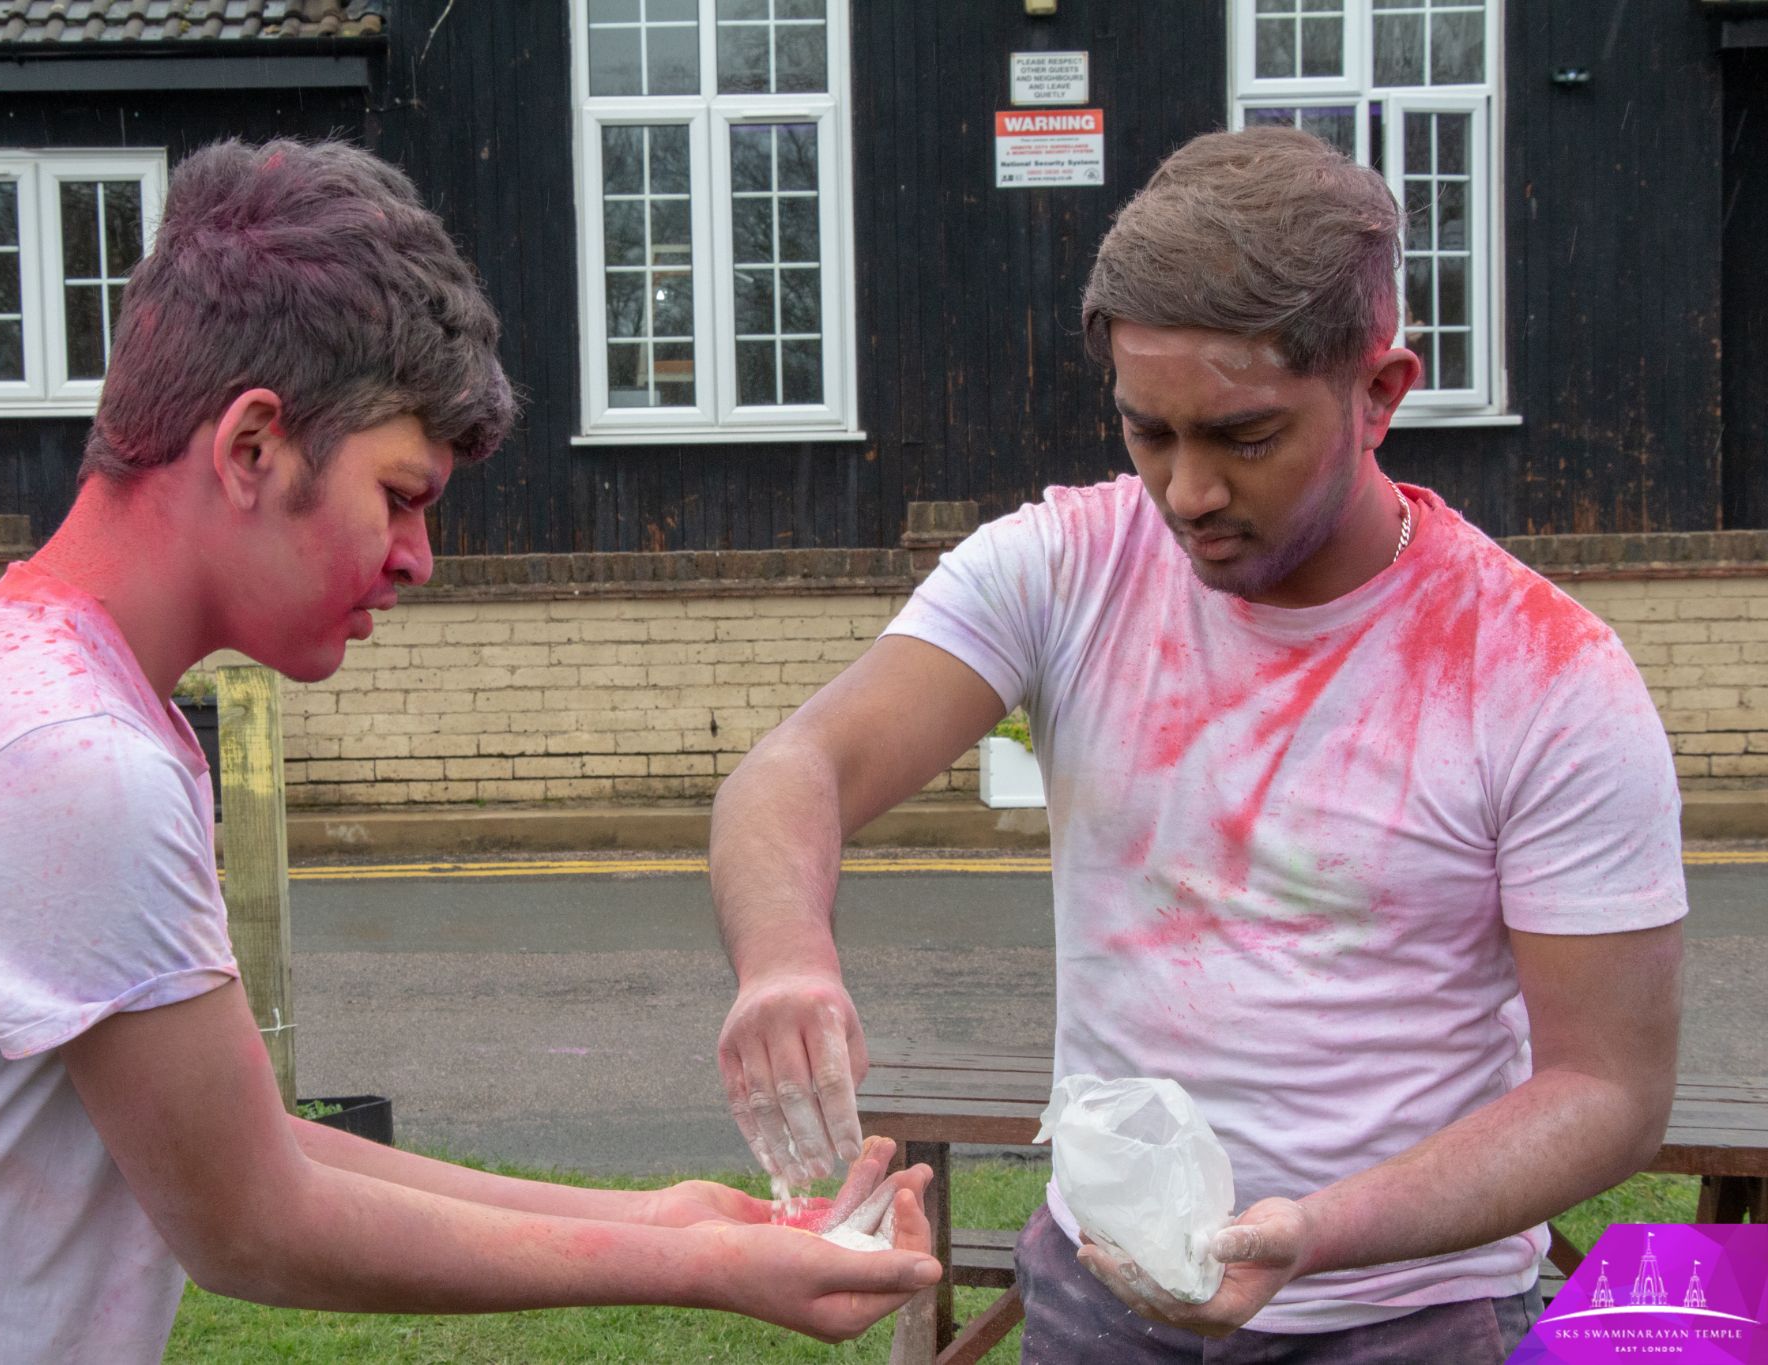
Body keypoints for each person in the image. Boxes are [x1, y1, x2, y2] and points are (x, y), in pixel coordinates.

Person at [0, 138, 939, 1363]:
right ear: (251, 447)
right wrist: (698, 1266)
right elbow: (251, 1224)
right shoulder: (69, 755)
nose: (419, 559)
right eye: (399, 496)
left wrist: (656, 1215)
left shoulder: (26, 677)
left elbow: (242, 1145)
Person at [708, 125, 1686, 1363]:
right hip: (1100, 1295)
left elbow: (1606, 1093)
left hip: (1402, 1316)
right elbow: (796, 768)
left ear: (1379, 393)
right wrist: (784, 961)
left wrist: (1314, 1234)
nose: (1185, 493)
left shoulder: (1544, 674)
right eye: (1147, 432)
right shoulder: (1064, 567)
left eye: (1242, 436)